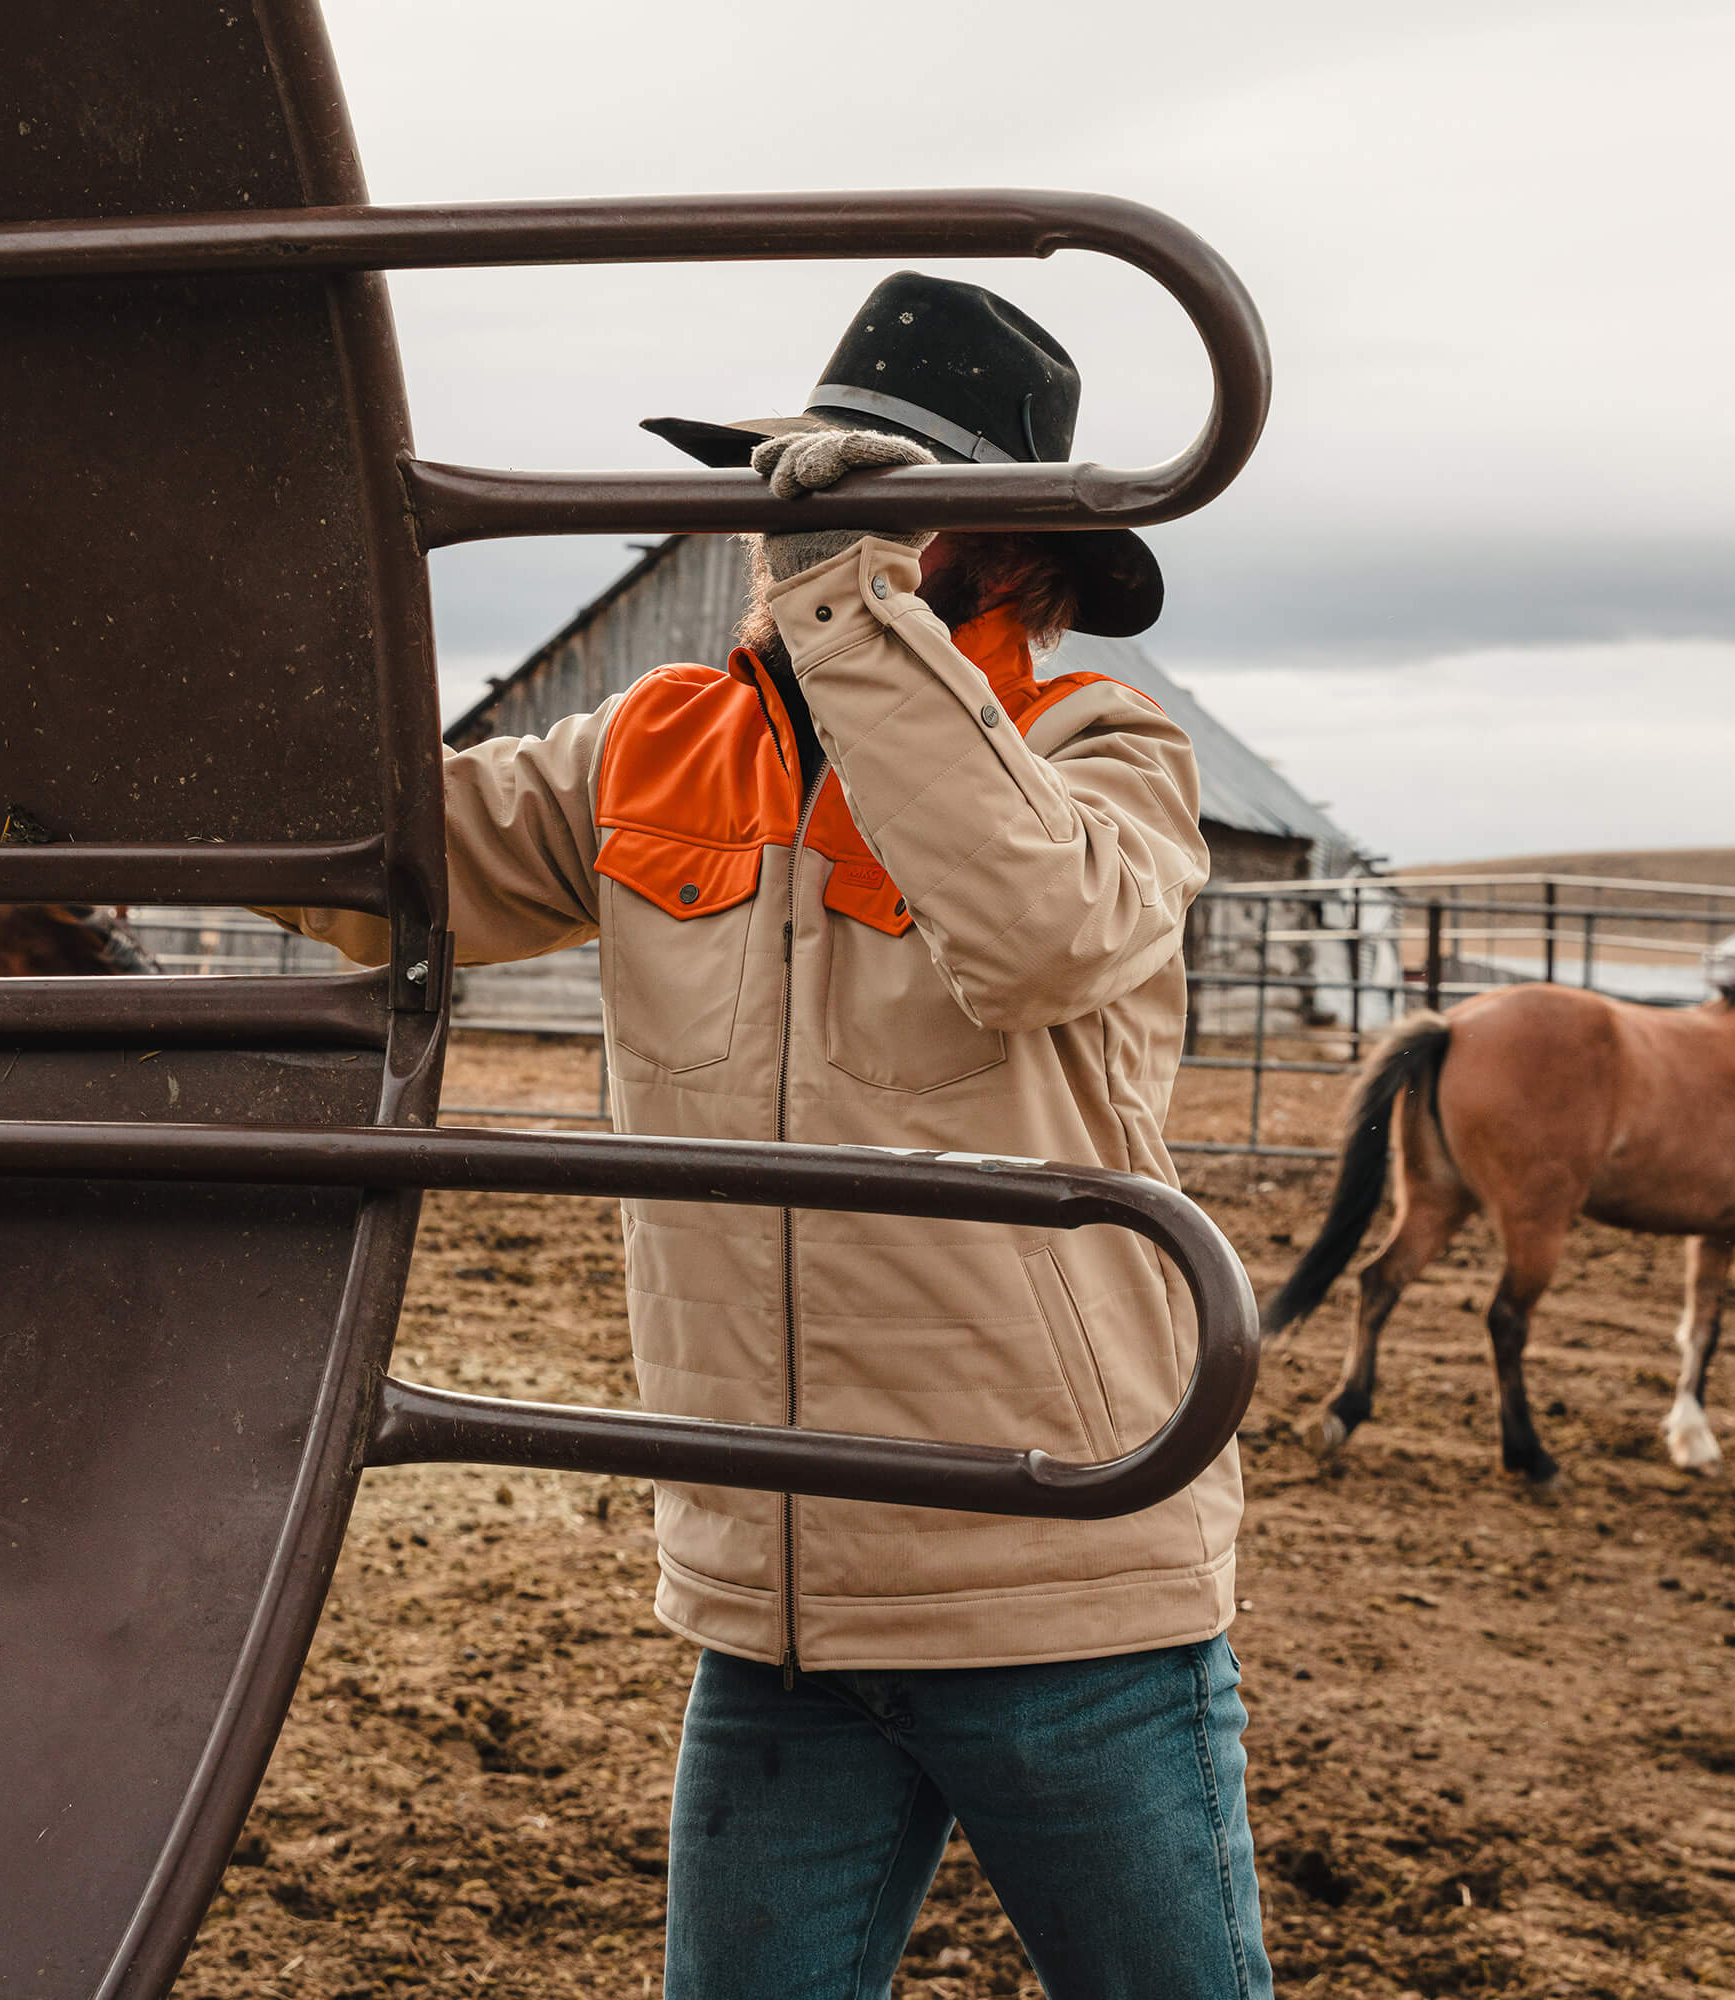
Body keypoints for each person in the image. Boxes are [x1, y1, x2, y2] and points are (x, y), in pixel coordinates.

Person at [268, 273, 1272, 1998]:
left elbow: (1037, 932)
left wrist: (849, 611)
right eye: (797, 486)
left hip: (1055, 1581)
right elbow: (384, 861)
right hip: (777, 1597)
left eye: (870, 495)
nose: (787, 529)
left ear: (1013, 550)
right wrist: (119, 763)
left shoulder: (1102, 752)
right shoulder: (656, 747)